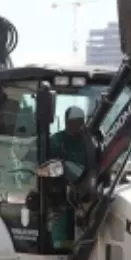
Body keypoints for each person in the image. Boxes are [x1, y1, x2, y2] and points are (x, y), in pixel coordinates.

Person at [44, 106, 87, 251]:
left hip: (85, 192)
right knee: (60, 221)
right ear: (67, 121)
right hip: (60, 193)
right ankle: (58, 245)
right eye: (75, 121)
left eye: (80, 121)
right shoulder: (56, 141)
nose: (78, 125)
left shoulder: (88, 141)